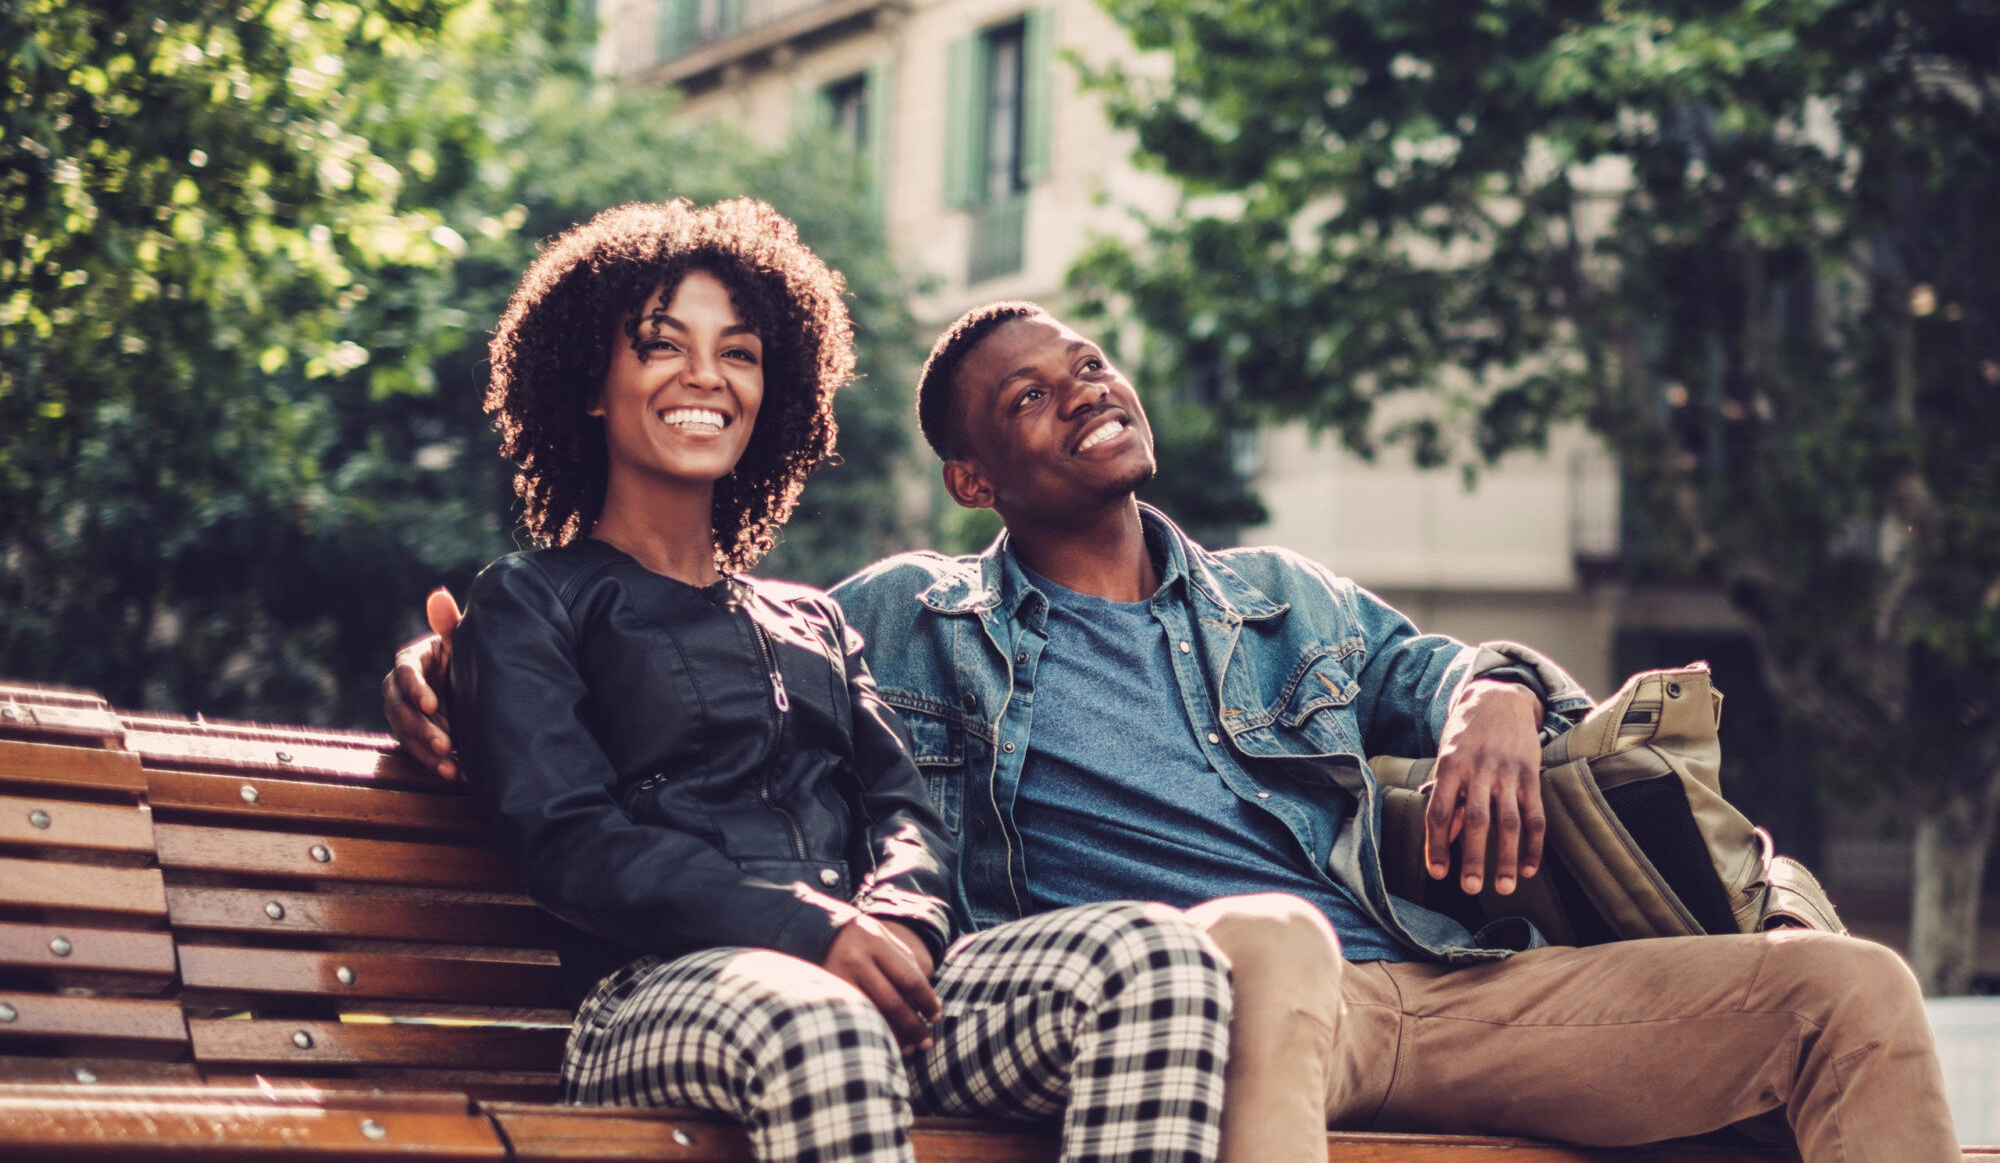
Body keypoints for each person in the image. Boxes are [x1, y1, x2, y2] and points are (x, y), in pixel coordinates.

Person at [393, 296, 1960, 1163]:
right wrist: (444, 676)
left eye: (1087, 363)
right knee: (1266, 937)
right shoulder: (906, 616)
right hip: (1236, 1001)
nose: (1080, 390)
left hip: (1451, 988)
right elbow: (665, 652)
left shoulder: (1283, 599)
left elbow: (1447, 669)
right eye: (1027, 401)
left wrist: (1496, 690)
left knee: (1852, 993)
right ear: (975, 482)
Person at [447, 210, 1231, 1163]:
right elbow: (569, 839)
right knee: (823, 1022)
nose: (705, 376)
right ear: (591, 388)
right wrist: (809, 931)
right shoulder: (531, 601)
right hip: (653, 999)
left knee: (1160, 961)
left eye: (737, 352)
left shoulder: (809, 619)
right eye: (662, 346)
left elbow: (903, 812)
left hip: (865, 979)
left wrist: (897, 919)